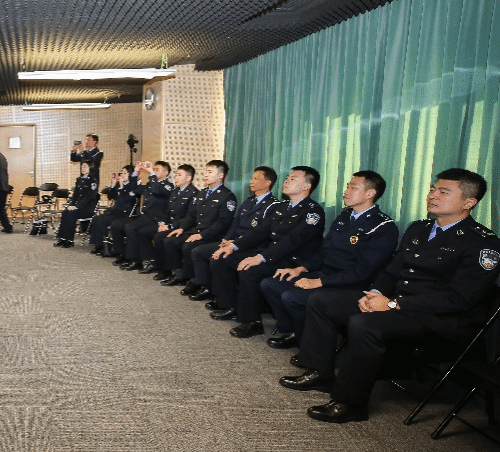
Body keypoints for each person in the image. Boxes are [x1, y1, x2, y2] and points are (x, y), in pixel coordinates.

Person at [280, 168, 500, 423]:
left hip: (439, 319)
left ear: (469, 202)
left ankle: (350, 403)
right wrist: (374, 293)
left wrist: (394, 303)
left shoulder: (482, 242)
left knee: (364, 324)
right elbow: (392, 270)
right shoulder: (419, 228)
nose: (433, 196)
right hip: (400, 305)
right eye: (432, 189)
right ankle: (320, 373)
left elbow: (459, 299)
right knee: (322, 301)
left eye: (443, 192)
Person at [260, 171, 399, 350]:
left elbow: (362, 271)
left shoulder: (383, 226)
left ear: (370, 193)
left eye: (353, 187)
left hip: (350, 285)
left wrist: (319, 282)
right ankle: (295, 332)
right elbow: (324, 252)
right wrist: (300, 269)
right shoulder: (343, 218)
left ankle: (314, 347)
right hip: (325, 275)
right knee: (270, 284)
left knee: (291, 297)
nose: (346, 191)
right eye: (347, 186)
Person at [209, 166, 325, 338]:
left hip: (293, 261)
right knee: (224, 258)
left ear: (306, 186)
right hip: (274, 255)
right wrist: (233, 246)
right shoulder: (282, 207)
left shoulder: (312, 212)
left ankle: (252, 322)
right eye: (287, 177)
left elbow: (292, 241)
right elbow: (260, 231)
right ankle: (231, 305)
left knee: (250, 269)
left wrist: (261, 257)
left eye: (293, 179)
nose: (286, 181)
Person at [185, 166, 278, 302]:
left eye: (256, 179)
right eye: (251, 178)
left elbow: (259, 233)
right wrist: (226, 239)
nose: (251, 181)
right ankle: (208, 288)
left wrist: (234, 243)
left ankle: (226, 300)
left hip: (252, 247)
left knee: (219, 259)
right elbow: (235, 224)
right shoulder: (248, 201)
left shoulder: (273, 205)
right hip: (234, 242)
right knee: (198, 252)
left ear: (268, 182)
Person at [151, 161, 234, 283]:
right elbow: (191, 215)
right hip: (196, 230)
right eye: (206, 171)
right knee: (170, 239)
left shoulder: (227, 196)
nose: (206, 174)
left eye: (210, 172)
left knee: (188, 246)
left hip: (212, 235)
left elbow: (222, 222)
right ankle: (177, 273)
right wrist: (181, 228)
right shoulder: (202, 193)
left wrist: (202, 235)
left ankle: (193, 280)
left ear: (220, 175)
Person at [110, 161, 175, 268]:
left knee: (131, 227)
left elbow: (156, 190)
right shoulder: (150, 184)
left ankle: (135, 260)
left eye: (157, 169)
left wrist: (151, 173)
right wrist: (135, 172)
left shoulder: (168, 186)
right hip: (144, 217)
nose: (154, 171)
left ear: (166, 173)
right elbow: (134, 188)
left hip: (155, 219)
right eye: (154, 169)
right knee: (116, 225)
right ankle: (123, 254)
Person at [89, 165, 138, 255]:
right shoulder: (120, 185)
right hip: (115, 211)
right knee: (96, 218)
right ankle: (98, 244)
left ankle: (103, 247)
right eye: (121, 173)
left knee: (102, 221)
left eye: (124, 173)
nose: (122, 175)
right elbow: (110, 196)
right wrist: (113, 185)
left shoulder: (132, 187)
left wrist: (121, 187)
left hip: (124, 213)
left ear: (130, 175)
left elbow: (122, 200)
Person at [53, 162, 99, 248]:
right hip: (79, 207)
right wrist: (71, 205)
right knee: (65, 212)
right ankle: (62, 238)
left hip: (88, 208)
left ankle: (69, 240)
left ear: (91, 167)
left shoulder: (93, 180)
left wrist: (77, 207)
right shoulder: (79, 180)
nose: (83, 168)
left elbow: (89, 196)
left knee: (71, 214)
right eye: (82, 167)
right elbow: (75, 196)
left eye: (85, 166)